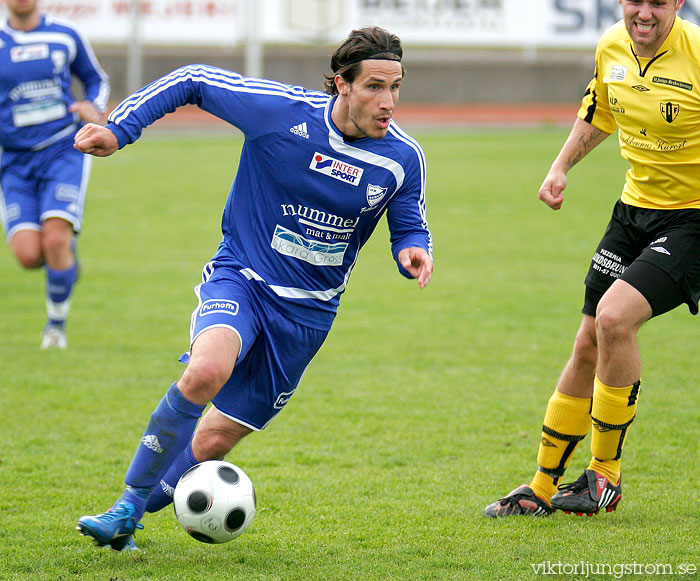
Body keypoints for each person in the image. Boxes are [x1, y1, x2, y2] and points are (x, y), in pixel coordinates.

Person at [74, 26, 433, 550]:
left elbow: (408, 220)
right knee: (208, 369)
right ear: (342, 84)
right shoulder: (280, 113)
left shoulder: (402, 157)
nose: (389, 102)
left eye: (396, 87)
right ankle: (125, 506)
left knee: (215, 439)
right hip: (243, 276)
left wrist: (412, 250)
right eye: (375, 87)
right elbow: (192, 79)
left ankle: (136, 513)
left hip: (308, 317)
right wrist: (120, 129)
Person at [484, 0, 700, 518]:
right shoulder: (610, 45)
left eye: (656, 2)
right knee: (586, 343)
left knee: (614, 318)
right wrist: (560, 168)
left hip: (692, 219)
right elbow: (599, 111)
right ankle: (539, 487)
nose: (643, 13)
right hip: (631, 213)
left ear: (677, 4)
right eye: (634, 2)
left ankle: (604, 476)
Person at [0, 0, 110, 349]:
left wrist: (93, 107)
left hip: (64, 148)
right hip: (13, 160)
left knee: (55, 240)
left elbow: (96, 79)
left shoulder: (65, 35)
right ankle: (64, 254)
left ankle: (55, 329)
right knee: (30, 255)